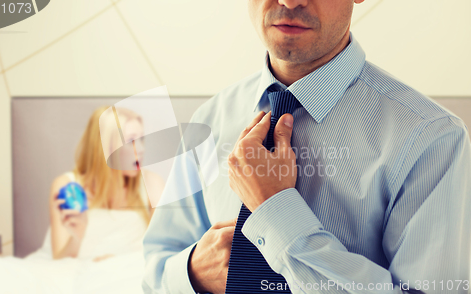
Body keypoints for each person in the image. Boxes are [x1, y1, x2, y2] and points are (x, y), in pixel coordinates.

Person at [142, 1, 471, 293]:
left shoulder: (432, 139)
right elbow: (154, 269)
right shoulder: (210, 117)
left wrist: (275, 210)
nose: (289, 0)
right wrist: (191, 273)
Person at [49, 106, 164, 261]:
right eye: (131, 141)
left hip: (130, 275)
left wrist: (116, 263)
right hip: (80, 277)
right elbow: (59, 263)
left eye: (142, 139)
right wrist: (77, 236)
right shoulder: (67, 186)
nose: (142, 149)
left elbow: (162, 253)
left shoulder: (152, 184)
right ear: (105, 147)